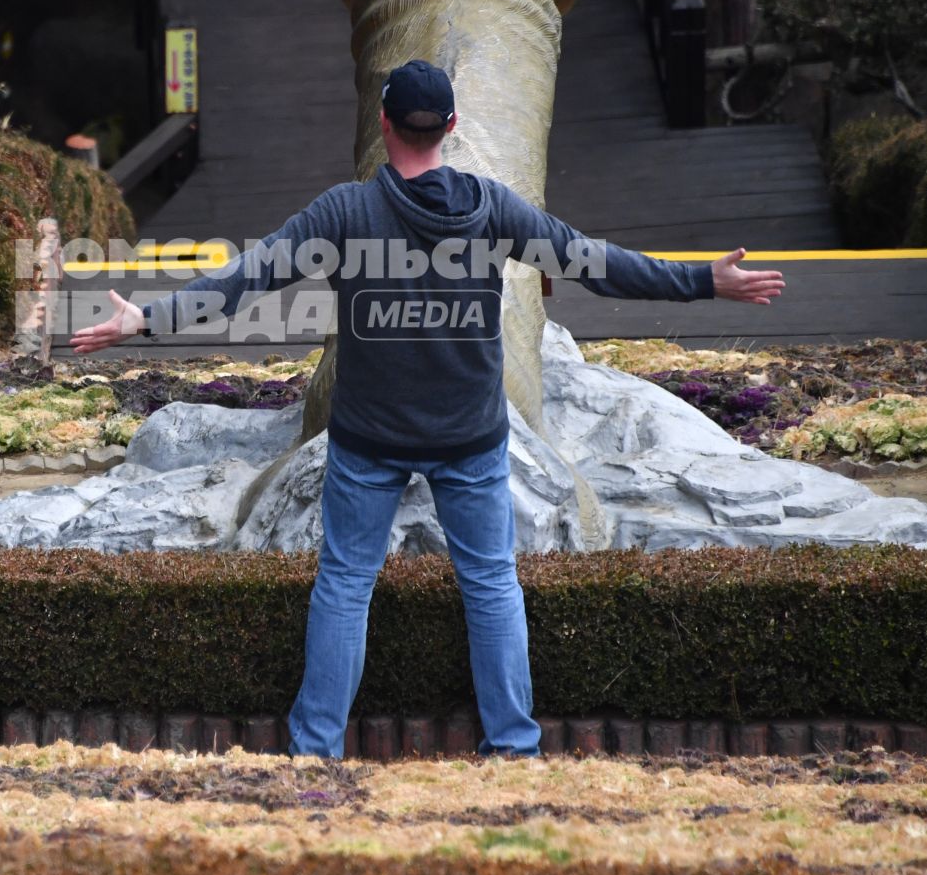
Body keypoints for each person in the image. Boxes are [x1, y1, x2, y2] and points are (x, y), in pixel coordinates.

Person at [69, 60, 787, 758]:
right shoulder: (494, 208)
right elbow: (593, 261)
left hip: (367, 440)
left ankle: (315, 750)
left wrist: (147, 320)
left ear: (385, 125)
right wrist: (703, 281)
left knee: (346, 585)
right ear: (450, 126)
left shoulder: (346, 211)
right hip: (470, 439)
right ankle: (514, 746)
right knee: (491, 584)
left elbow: (245, 278)